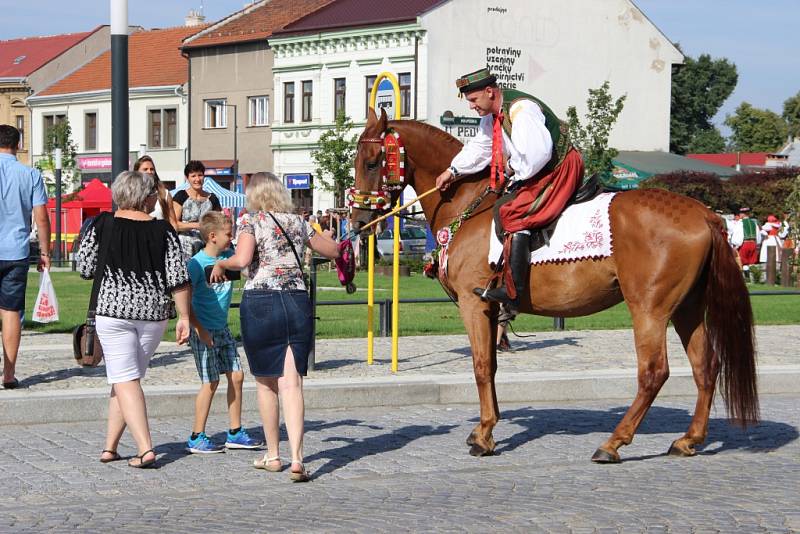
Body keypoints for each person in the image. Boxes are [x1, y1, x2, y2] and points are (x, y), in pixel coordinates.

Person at [210, 172, 340, 482]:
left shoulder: (250, 220)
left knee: (267, 384)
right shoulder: (298, 222)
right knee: (292, 384)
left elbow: (242, 260)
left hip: (262, 301)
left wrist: (221, 264)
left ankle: (273, 454)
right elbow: (333, 251)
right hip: (296, 301)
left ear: (254, 195)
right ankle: (297, 458)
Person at [435, 68, 584, 315]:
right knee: (503, 204)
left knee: (512, 212)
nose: (471, 106)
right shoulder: (492, 117)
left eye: (473, 100)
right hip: (537, 169)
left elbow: (537, 154)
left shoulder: (520, 110)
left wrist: (510, 167)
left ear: (489, 92)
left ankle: (514, 293)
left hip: (558, 167)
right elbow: (480, 148)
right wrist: (452, 171)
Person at [77, 171, 191, 468]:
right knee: (125, 377)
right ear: (144, 198)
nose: (155, 198)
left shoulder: (101, 224)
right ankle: (110, 447)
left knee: (124, 379)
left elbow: (85, 268)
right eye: (153, 194)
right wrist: (184, 316)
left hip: (113, 312)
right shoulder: (164, 231)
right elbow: (178, 278)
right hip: (153, 315)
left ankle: (145, 448)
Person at [185, 211, 263, 453]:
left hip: (222, 328)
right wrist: (199, 329)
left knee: (237, 376)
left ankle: (235, 431)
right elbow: (185, 302)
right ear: (212, 236)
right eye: (228, 234)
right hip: (203, 330)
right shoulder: (196, 264)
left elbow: (247, 259)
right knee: (210, 381)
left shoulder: (230, 257)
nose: (232, 238)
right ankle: (196, 435)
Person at [0, 125, 50, 389]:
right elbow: (41, 217)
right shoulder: (30, 174)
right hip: (16, 251)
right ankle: (8, 373)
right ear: (18, 145)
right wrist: (44, 252)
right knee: (11, 312)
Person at [172, 161, 222, 259]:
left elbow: (219, 222)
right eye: (193, 176)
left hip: (207, 245)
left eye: (200, 175)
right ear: (187, 178)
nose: (197, 179)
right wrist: (198, 225)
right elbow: (174, 224)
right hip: (184, 247)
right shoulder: (181, 196)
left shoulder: (212, 198)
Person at [133, 155, 178, 228]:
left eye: (152, 169)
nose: (149, 172)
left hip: (159, 237)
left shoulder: (164, 194)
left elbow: (173, 223)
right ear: (136, 172)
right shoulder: (130, 195)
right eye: (145, 169)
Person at [731, 208, 761, 275]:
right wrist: (757, 244)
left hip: (745, 244)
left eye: (740, 213)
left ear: (742, 214)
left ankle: (746, 278)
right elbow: (758, 236)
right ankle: (753, 277)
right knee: (752, 261)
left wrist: (736, 245)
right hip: (753, 244)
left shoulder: (740, 223)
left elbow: (739, 235)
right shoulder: (754, 223)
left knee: (744, 261)